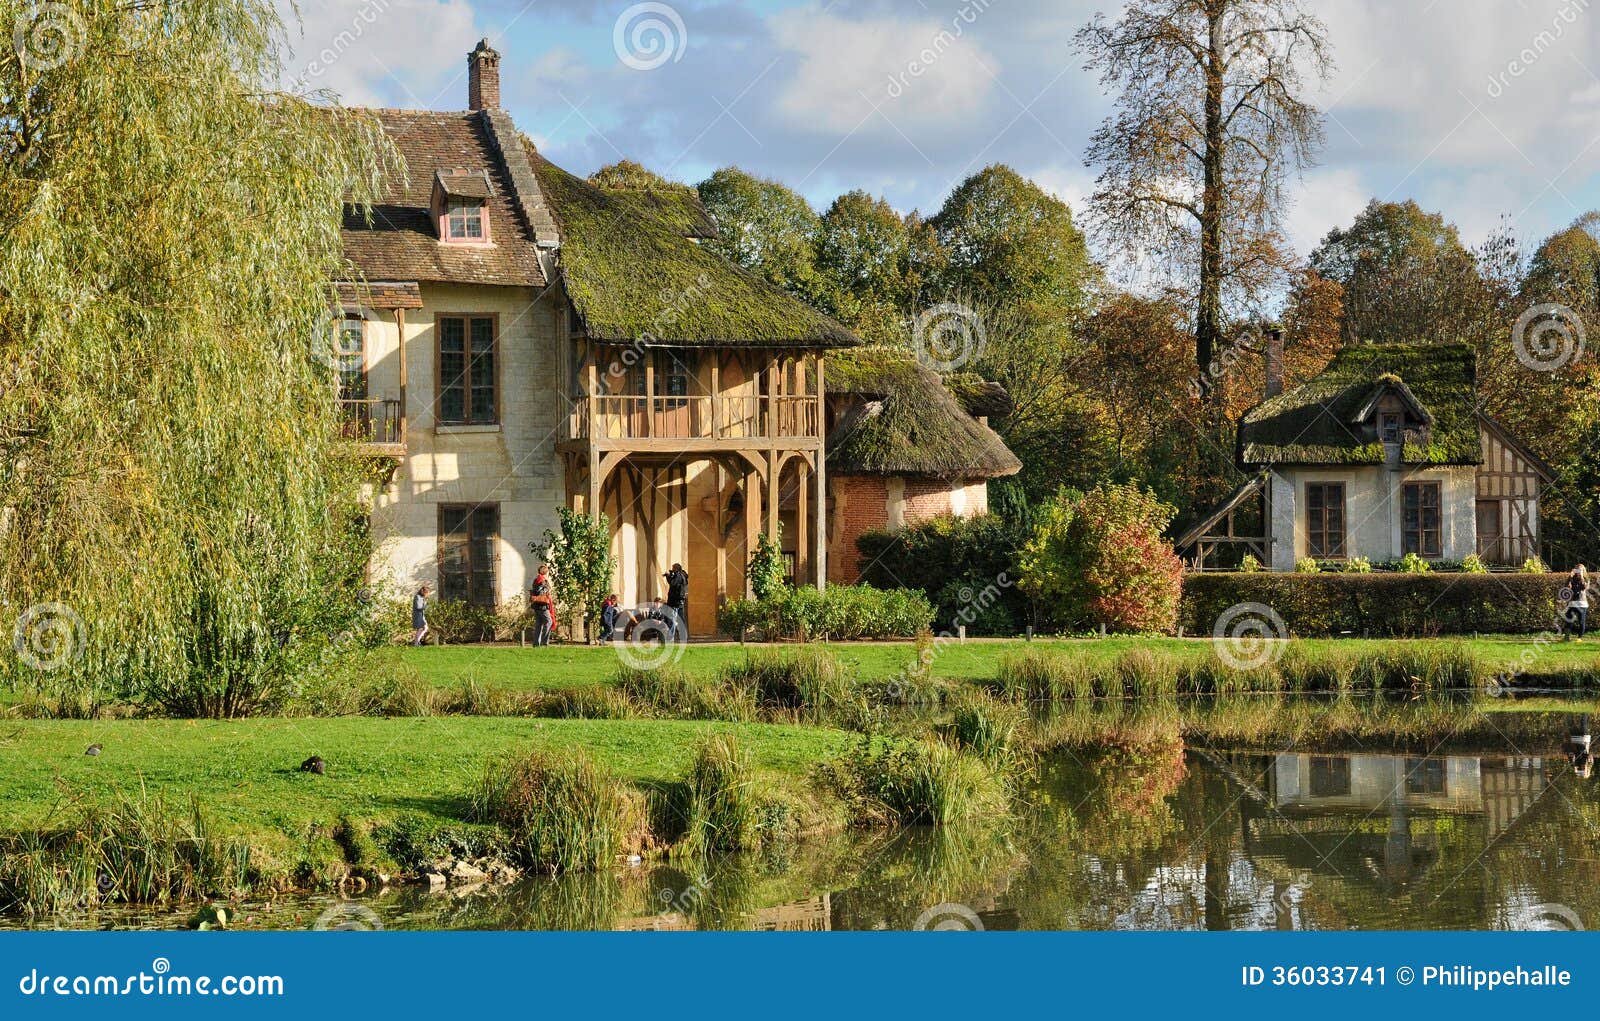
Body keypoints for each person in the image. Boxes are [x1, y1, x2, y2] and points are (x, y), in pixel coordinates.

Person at [528, 564, 557, 647]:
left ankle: (536, 644)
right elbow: (539, 592)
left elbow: (535, 590)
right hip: (542, 605)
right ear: (545, 572)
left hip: (537, 605)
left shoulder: (536, 579)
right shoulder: (542, 580)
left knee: (539, 624)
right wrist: (547, 588)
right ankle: (544, 642)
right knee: (549, 622)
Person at [663, 562, 689, 640]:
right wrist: (671, 575)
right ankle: (684, 636)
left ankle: (670, 638)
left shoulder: (678, 575)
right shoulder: (683, 575)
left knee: (672, 619)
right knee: (681, 620)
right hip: (680, 601)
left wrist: (668, 576)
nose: (673, 570)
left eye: (673, 568)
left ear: (676, 568)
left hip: (674, 601)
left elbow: (672, 583)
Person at [1565, 563, 1589, 640]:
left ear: (1583, 571)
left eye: (1580, 570)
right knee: (1569, 621)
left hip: (1582, 604)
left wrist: (1581, 577)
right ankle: (1567, 637)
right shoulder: (1572, 578)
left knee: (1581, 621)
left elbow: (1584, 587)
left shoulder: (1586, 578)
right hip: (1572, 603)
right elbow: (1567, 587)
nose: (1578, 572)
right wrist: (1570, 577)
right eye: (1577, 570)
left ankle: (1580, 637)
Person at [1570, 714, 1593, 779]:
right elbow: (1590, 755)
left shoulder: (1576, 764)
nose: (1583, 768)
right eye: (1584, 770)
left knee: (1571, 724)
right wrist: (1587, 771)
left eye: (1581, 770)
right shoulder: (1589, 763)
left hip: (1576, 739)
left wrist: (1576, 770)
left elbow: (1572, 756)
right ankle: (1585, 711)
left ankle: (1570, 712)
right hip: (1584, 739)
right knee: (1583, 723)